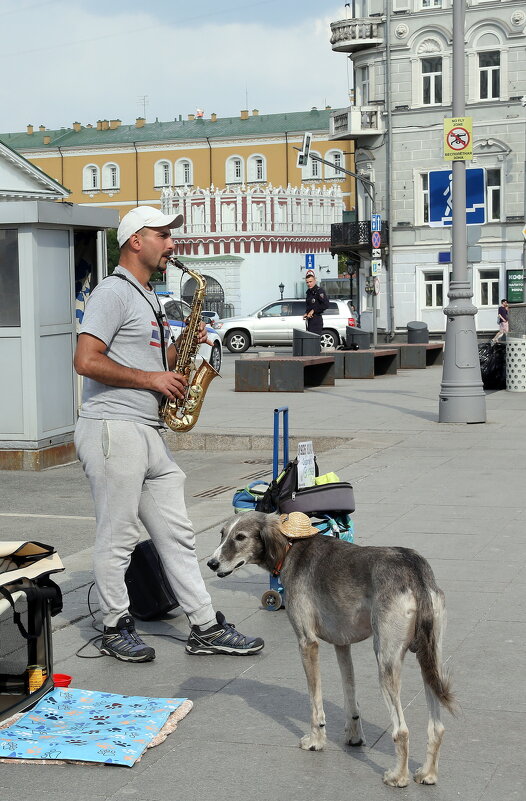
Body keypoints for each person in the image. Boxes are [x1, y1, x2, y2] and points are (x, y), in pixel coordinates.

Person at [73, 206, 264, 663]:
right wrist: (151, 380)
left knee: (178, 533)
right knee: (117, 535)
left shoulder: (148, 297)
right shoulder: (112, 293)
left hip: (148, 429)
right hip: (112, 426)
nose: (172, 244)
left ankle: (203, 625)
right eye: (163, 235)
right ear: (136, 240)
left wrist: (188, 344)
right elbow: (86, 360)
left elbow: (158, 363)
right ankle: (115, 624)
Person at [303, 270, 330, 335]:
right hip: (310, 320)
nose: (309, 284)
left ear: (315, 281)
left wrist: (313, 311)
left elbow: (326, 304)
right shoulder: (309, 292)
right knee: (310, 340)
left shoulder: (319, 291)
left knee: (314, 341)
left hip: (317, 319)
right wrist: (306, 313)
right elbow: (309, 306)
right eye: (307, 282)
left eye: (310, 282)